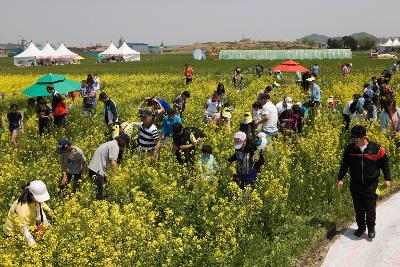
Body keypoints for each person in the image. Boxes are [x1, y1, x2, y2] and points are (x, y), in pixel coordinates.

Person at [337, 125, 391, 238]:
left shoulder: (376, 148)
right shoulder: (350, 149)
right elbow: (344, 164)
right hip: (355, 183)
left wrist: (387, 179)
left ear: (364, 137)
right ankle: (361, 227)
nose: (354, 141)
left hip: (371, 183)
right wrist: (340, 178)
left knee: (370, 206)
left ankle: (371, 228)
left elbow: (385, 163)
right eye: (353, 139)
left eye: (356, 139)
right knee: (358, 207)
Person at [4, 180, 52, 245]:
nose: (40, 200)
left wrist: (53, 216)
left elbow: (42, 207)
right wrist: (34, 246)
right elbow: (24, 230)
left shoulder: (35, 200)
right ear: (31, 195)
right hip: (14, 235)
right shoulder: (23, 209)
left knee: (44, 230)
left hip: (30, 227)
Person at [88, 134, 130, 200]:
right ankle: (100, 207)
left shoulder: (111, 143)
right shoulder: (115, 146)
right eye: (125, 146)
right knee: (101, 194)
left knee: (105, 189)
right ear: (123, 142)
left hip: (93, 169)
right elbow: (113, 163)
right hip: (97, 171)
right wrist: (115, 176)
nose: (124, 148)